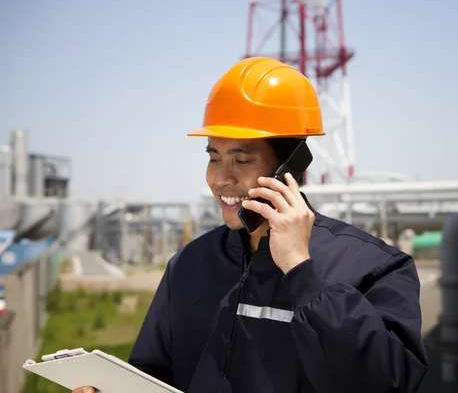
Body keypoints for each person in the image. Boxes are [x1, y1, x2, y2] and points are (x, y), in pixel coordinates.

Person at [73, 57, 428, 393]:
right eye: (214, 158)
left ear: (290, 167)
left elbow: (386, 384)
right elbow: (154, 375)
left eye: (241, 159)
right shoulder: (189, 265)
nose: (221, 179)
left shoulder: (374, 268)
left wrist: (300, 271)